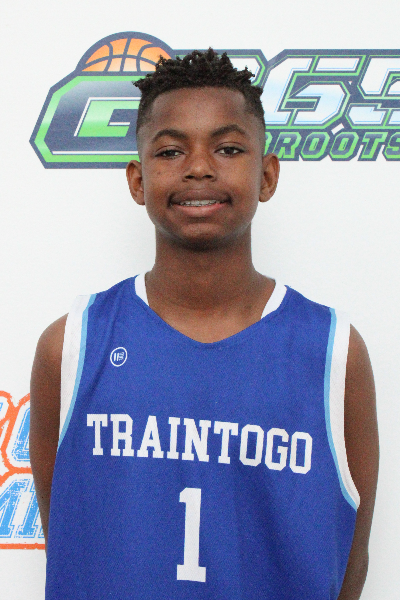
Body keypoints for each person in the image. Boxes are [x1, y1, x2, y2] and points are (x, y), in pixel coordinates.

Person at [30, 49, 379, 600]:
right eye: (171, 151)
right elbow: (71, 540)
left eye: (229, 148)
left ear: (267, 175)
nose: (199, 167)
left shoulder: (332, 352)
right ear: (137, 180)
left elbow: (348, 562)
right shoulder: (72, 345)